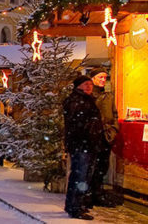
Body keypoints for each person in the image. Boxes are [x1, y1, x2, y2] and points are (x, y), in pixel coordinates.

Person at [63, 75, 103, 220]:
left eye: (90, 84)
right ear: (78, 86)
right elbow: (75, 124)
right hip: (82, 144)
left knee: (83, 175)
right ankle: (75, 207)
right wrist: (88, 132)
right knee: (81, 175)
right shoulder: (77, 101)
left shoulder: (87, 100)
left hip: (87, 143)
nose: (89, 86)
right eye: (86, 84)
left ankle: (76, 204)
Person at [90, 70, 120, 207]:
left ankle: (97, 193)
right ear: (93, 79)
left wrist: (113, 130)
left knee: (102, 166)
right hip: (92, 137)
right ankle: (89, 194)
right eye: (100, 77)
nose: (103, 79)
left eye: (105, 77)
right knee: (91, 166)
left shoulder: (108, 96)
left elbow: (114, 115)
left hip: (106, 136)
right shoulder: (89, 95)